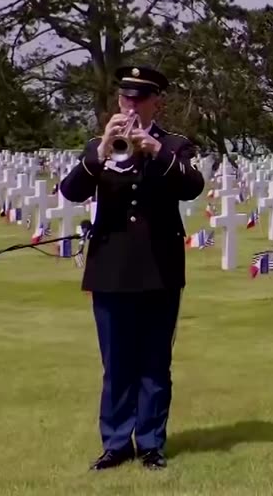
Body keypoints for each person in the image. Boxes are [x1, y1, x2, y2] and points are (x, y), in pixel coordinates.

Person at [58, 65, 204, 472]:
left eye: (140, 98)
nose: (132, 105)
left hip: (159, 268)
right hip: (111, 269)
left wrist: (154, 151)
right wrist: (104, 149)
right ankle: (116, 442)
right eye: (126, 97)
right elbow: (71, 192)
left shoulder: (174, 145)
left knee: (155, 362)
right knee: (117, 363)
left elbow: (192, 186)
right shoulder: (98, 146)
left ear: (156, 101)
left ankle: (152, 442)